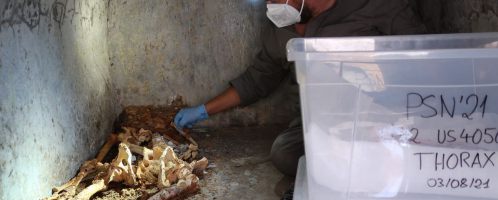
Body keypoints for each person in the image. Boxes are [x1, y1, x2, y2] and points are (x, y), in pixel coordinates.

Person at [174, 0, 426, 193]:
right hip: (322, 123)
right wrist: (203, 110)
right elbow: (257, 80)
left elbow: (424, 56)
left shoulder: (375, 7)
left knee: (389, 157)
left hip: (381, 116)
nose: (271, 6)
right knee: (284, 152)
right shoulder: (280, 29)